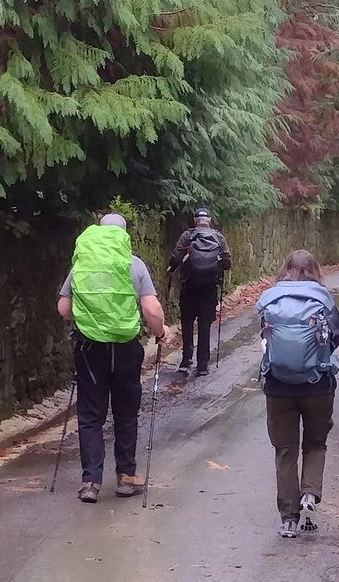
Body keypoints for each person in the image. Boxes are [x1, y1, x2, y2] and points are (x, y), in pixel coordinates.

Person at [58, 214, 168, 503]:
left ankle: (90, 482)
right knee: (125, 411)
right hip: (125, 348)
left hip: (89, 348)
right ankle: (126, 477)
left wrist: (87, 318)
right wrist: (160, 333)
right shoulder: (134, 264)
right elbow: (152, 310)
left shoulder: (81, 264)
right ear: (123, 235)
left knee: (91, 414)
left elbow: (63, 308)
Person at [255, 250, 339, 538]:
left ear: (285, 269)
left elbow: (265, 338)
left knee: (285, 450)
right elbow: (336, 337)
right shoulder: (323, 298)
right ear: (315, 269)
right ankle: (309, 494)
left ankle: (289, 519)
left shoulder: (270, 298)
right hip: (318, 385)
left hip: (278, 386)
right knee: (316, 444)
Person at [166, 207, 232, 377]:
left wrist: (172, 267)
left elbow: (176, 257)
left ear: (195, 220)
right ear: (209, 220)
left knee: (187, 324)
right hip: (209, 288)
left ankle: (186, 361)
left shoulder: (187, 236)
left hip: (189, 287)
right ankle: (202, 365)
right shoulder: (218, 237)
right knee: (204, 326)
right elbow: (227, 262)